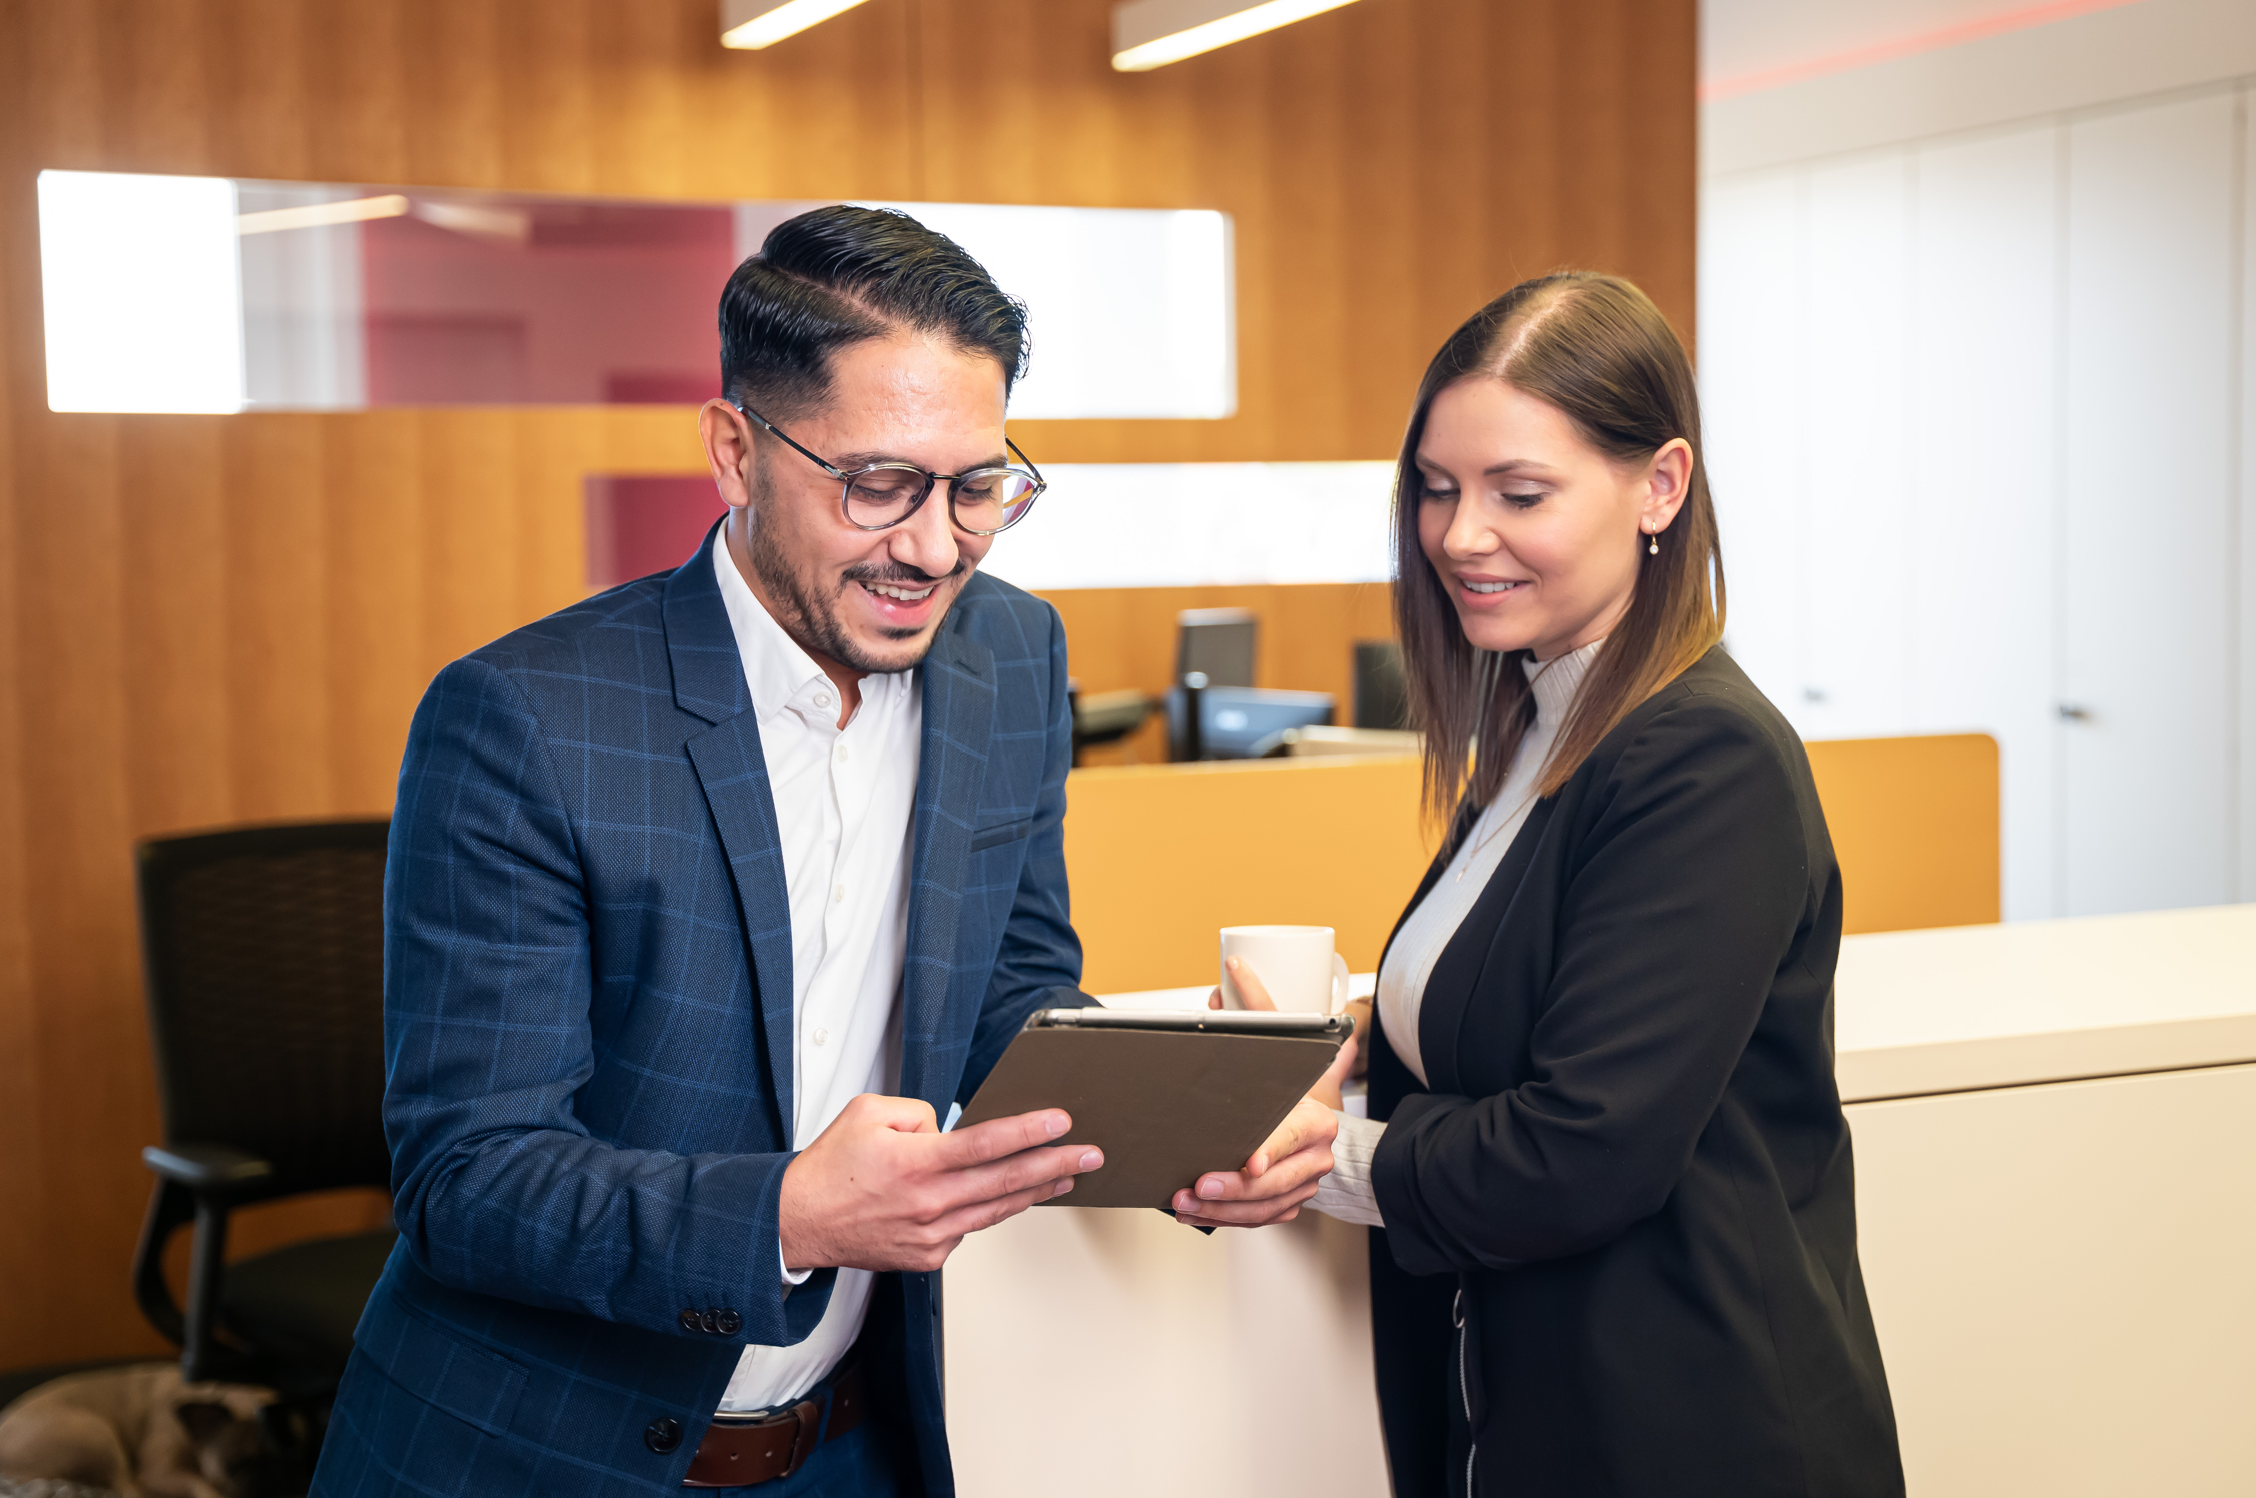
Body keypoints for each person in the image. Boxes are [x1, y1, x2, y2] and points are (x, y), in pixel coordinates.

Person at [311, 206, 1335, 1498]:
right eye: (877, 484)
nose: (934, 546)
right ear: (736, 451)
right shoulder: (528, 717)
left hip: (857, 1438)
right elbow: (470, 1177)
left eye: (978, 486)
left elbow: (1007, 988)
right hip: (543, 1447)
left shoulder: (1011, 656)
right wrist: (790, 1212)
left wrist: (1196, 1120)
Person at [1192, 273, 1904, 1496]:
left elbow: (1588, 1147)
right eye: (1436, 488)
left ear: (1659, 487)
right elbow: (1520, 1006)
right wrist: (1332, 1056)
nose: (1461, 533)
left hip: (1695, 1426)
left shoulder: (1703, 756)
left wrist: (1328, 1158)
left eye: (1519, 493)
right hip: (1536, 1415)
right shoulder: (1538, 719)